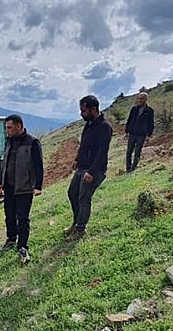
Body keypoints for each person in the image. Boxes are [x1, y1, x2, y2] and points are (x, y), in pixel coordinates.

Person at [0, 114, 44, 263]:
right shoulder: (9, 141)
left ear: (19, 126)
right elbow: (5, 162)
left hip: (24, 187)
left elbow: (38, 165)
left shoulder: (33, 142)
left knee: (22, 218)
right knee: (9, 215)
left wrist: (38, 186)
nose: (7, 131)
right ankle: (11, 239)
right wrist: (0, 179)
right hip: (9, 186)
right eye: (6, 128)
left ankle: (22, 246)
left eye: (9, 128)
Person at [65, 95, 113, 241]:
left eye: (84, 110)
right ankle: (76, 223)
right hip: (82, 167)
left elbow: (101, 151)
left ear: (94, 109)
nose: (81, 113)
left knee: (84, 199)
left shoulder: (105, 127)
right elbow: (84, 145)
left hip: (93, 170)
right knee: (72, 193)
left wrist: (91, 172)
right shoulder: (89, 124)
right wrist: (77, 159)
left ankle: (80, 230)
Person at [124, 92, 155, 173]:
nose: (139, 100)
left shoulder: (149, 111)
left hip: (141, 135)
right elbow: (129, 120)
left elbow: (151, 123)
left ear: (145, 99)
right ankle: (128, 169)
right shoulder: (134, 109)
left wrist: (149, 135)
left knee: (137, 152)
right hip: (132, 133)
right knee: (129, 152)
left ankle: (133, 168)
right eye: (138, 98)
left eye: (141, 98)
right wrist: (126, 131)